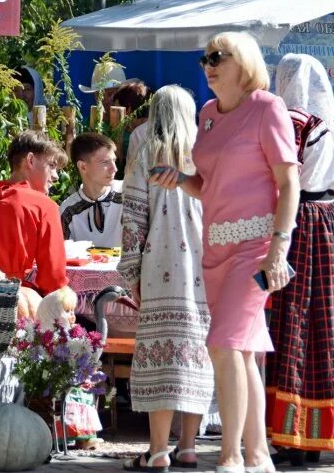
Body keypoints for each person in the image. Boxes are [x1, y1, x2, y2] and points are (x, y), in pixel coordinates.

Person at [153, 31, 299, 473]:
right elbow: (209, 185)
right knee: (243, 350)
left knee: (223, 344)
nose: (209, 64)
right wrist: (178, 179)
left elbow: (289, 182)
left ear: (246, 62)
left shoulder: (267, 108)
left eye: (220, 56)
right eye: (205, 58)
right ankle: (258, 455)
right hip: (215, 248)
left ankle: (232, 455)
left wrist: (279, 249)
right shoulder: (208, 113)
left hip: (256, 248)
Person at [265, 54, 334, 466]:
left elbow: (276, 179)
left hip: (300, 226)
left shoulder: (292, 123)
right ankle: (322, 432)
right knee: (328, 327)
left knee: (296, 325)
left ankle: (293, 436)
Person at [118, 85, 213, 472]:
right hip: (205, 264)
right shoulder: (206, 153)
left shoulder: (145, 152)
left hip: (160, 265)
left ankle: (158, 451)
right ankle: (188, 447)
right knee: (197, 352)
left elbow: (133, 217)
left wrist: (131, 273)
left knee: (160, 354)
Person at [0, 130, 69, 295]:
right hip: (12, 301)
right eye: (51, 166)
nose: (55, 176)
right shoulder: (44, 206)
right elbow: (53, 281)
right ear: (30, 160)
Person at [59, 133, 123, 249]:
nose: (114, 168)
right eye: (105, 162)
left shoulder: (128, 193)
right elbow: (64, 256)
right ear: (83, 167)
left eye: (114, 160)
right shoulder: (68, 210)